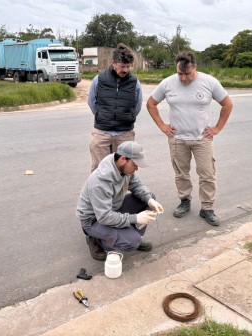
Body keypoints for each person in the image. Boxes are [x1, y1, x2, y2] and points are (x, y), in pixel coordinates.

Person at [146, 51, 233, 226]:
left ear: (195, 68)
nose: (184, 78)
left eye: (188, 74)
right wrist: (163, 126)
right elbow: (151, 103)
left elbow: (227, 104)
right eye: (180, 74)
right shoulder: (168, 83)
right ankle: (184, 201)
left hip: (202, 139)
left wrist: (217, 128)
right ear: (176, 69)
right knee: (181, 173)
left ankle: (207, 208)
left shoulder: (209, 82)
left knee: (207, 174)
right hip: (177, 139)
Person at [76, 141, 164, 261]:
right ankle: (96, 238)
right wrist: (136, 218)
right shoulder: (99, 183)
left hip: (113, 208)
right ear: (123, 159)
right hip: (94, 220)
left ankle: (128, 235)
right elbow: (104, 216)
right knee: (132, 242)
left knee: (149, 197)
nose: (137, 168)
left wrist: (149, 200)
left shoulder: (124, 169)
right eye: (135, 164)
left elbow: (137, 185)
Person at [87, 43, 143, 172]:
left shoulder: (135, 83)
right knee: (100, 171)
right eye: (122, 66)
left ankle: (121, 193)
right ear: (113, 62)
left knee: (125, 171)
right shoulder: (98, 80)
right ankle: (100, 193)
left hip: (125, 134)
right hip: (102, 133)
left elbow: (137, 106)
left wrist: (126, 117)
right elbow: (91, 102)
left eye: (128, 66)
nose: (125, 70)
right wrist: (103, 116)